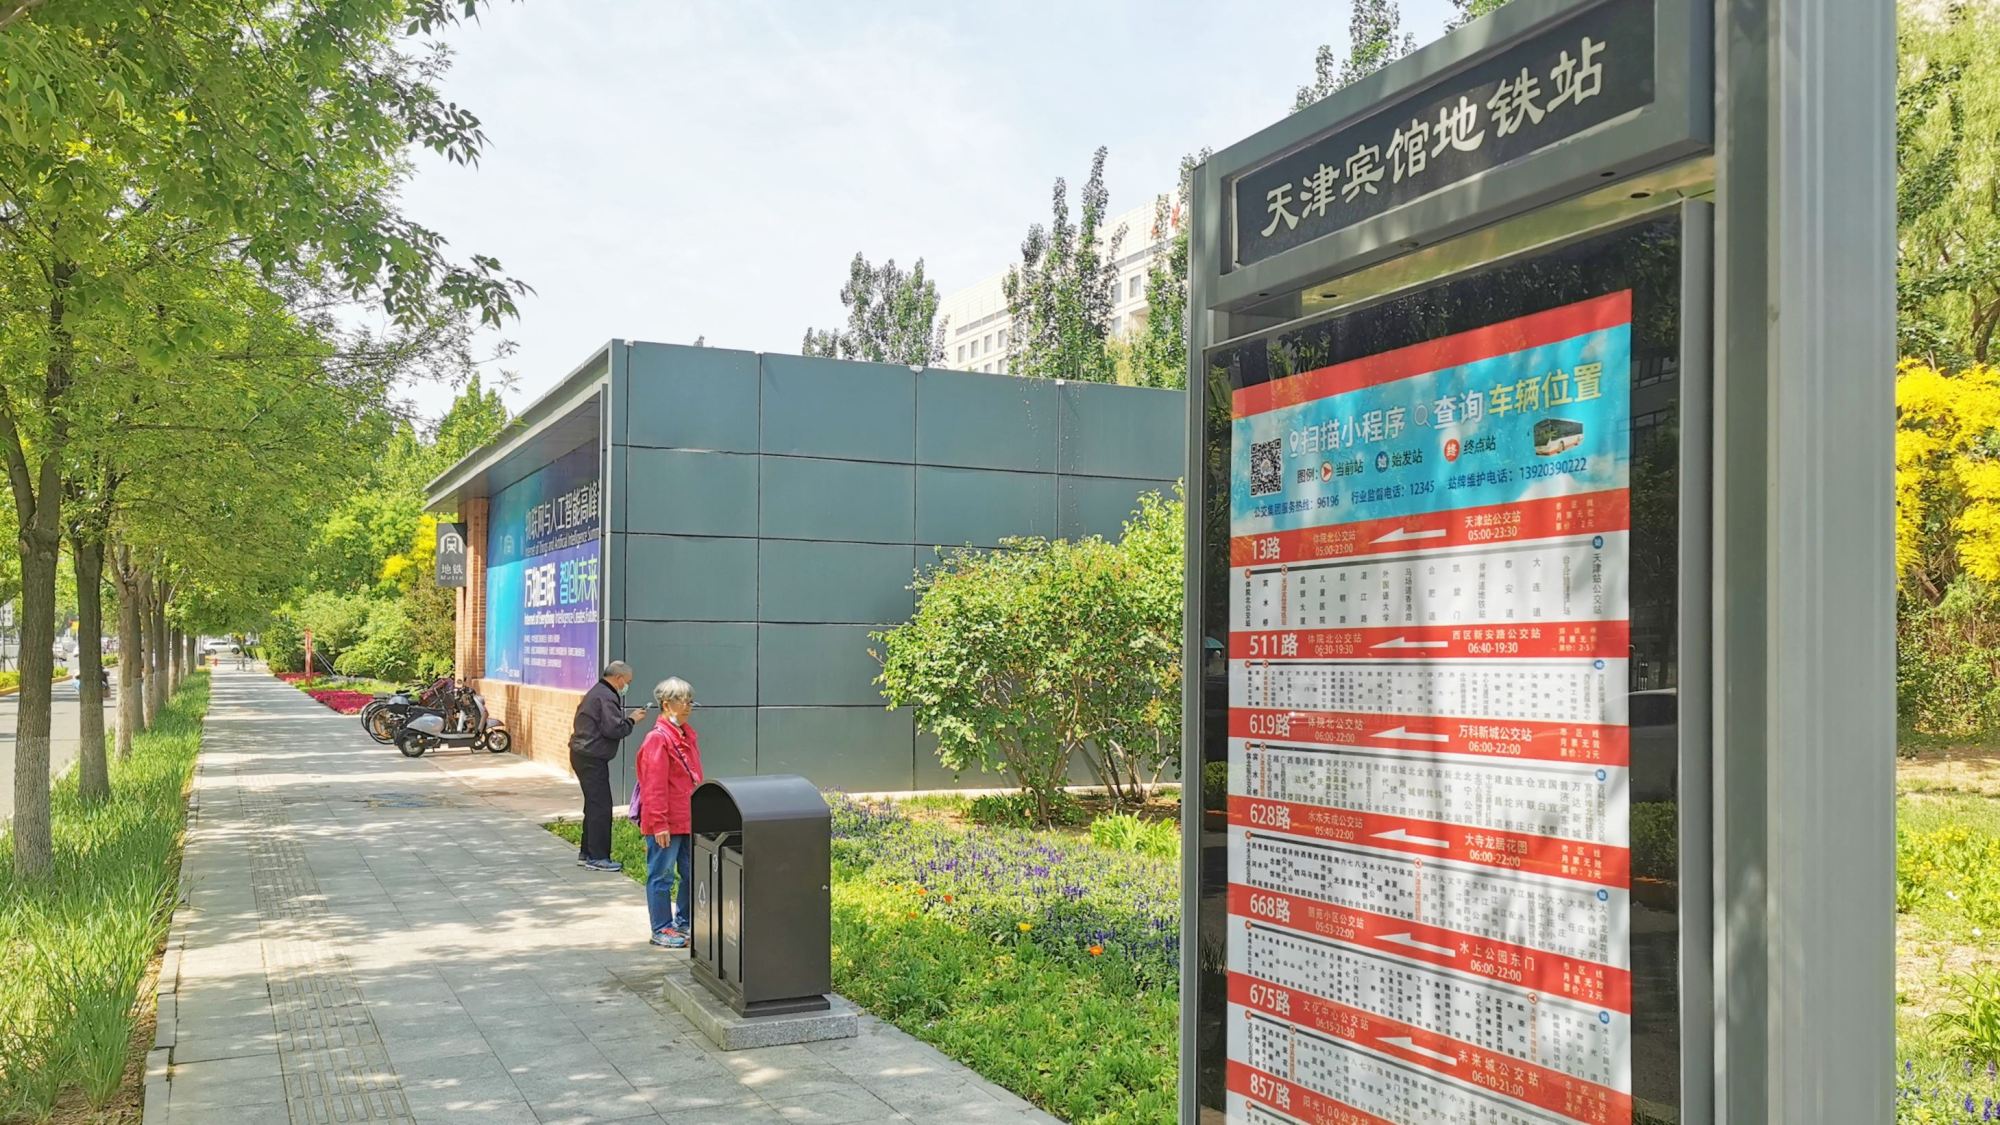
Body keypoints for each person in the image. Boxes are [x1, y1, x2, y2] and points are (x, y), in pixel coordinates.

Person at [634, 677, 702, 948]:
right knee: (662, 876)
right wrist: (659, 823)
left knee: (692, 872)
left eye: (690, 701)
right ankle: (661, 928)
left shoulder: (686, 735)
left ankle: (684, 922)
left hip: (687, 818)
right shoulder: (657, 739)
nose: (688, 706)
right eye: (682, 701)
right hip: (666, 822)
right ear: (665, 704)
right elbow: (654, 786)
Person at [570, 660, 645, 872]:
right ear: (619, 678)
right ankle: (598, 857)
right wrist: (631, 720)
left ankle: (587, 852)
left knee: (594, 805)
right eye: (627, 682)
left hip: (584, 754)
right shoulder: (606, 696)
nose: (626, 686)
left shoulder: (598, 692)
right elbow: (614, 729)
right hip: (590, 757)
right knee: (601, 808)